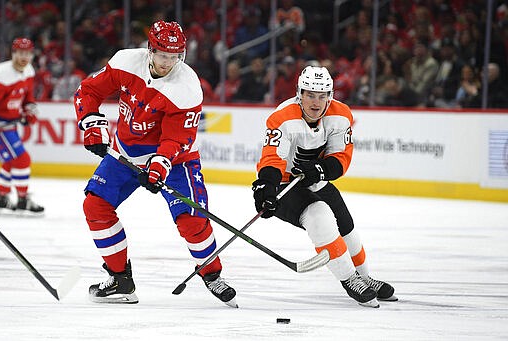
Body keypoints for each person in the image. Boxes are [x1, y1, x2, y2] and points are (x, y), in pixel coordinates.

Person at [73, 21, 237, 307]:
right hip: (127, 152)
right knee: (95, 205)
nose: (168, 62)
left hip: (176, 160)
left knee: (192, 221)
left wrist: (161, 164)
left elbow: (178, 137)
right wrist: (91, 121)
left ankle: (211, 273)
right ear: (150, 49)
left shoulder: (187, 87)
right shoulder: (125, 61)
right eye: (163, 55)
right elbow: (88, 91)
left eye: (175, 56)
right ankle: (120, 278)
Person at [252, 66, 397, 308]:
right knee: (320, 217)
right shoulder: (282, 118)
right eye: (310, 94)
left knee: (346, 225)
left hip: (316, 179)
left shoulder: (341, 115)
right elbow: (272, 158)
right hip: (285, 183)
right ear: (299, 93)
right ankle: (350, 279)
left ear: (330, 95)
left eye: (322, 95)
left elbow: (341, 157)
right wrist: (266, 186)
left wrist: (320, 169)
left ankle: (364, 277)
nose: (316, 102)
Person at [0, 37, 44, 215]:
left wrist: (29, 109)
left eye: (27, 53)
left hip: (9, 125)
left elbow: (27, 97)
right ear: (13, 53)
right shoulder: (1, 75)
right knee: (22, 159)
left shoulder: (28, 70)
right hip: (0, 126)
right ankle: (23, 200)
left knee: (10, 160)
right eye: (20, 53)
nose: (24, 57)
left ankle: (1, 197)